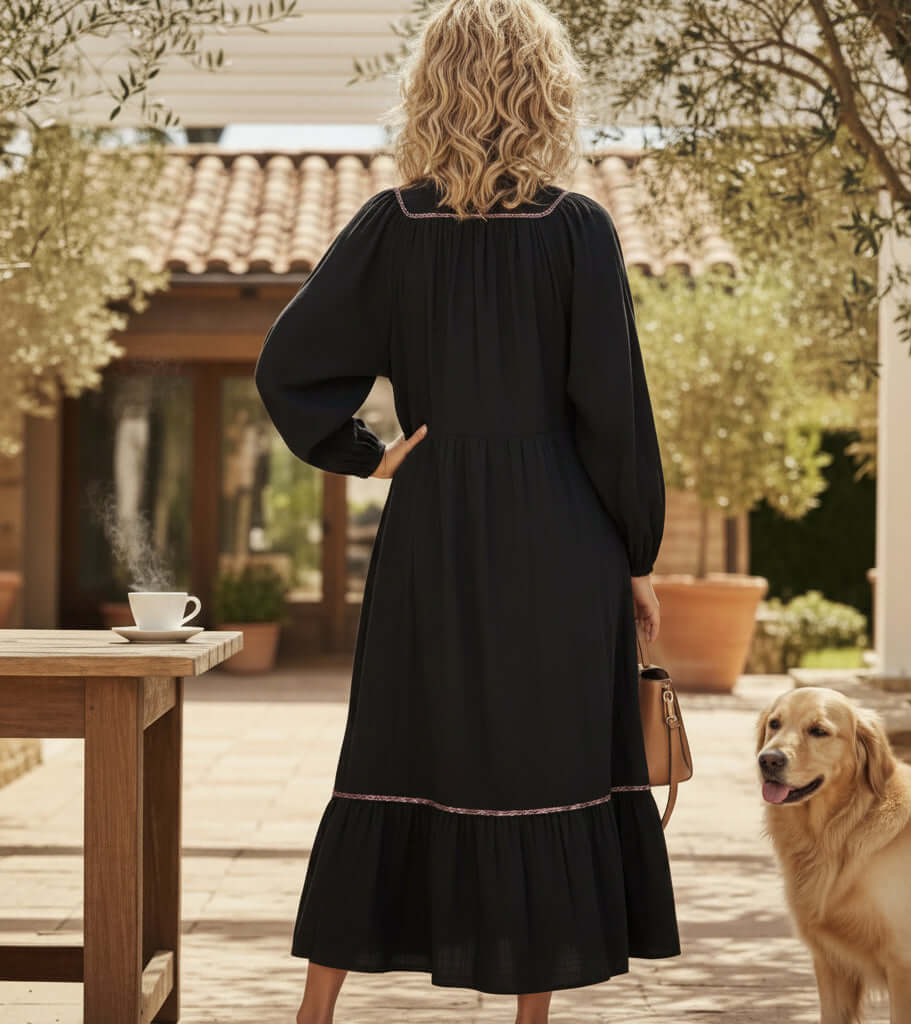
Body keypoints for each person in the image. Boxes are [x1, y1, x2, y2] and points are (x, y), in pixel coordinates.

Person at [254, 0, 679, 1020]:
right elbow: (611, 411)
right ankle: (527, 1015)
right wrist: (637, 553)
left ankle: (314, 1012)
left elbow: (288, 365)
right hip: (562, 533)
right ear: (545, 87)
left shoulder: (390, 224)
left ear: (429, 82)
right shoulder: (577, 229)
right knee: (539, 769)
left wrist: (370, 455)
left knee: (396, 752)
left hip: (432, 530)